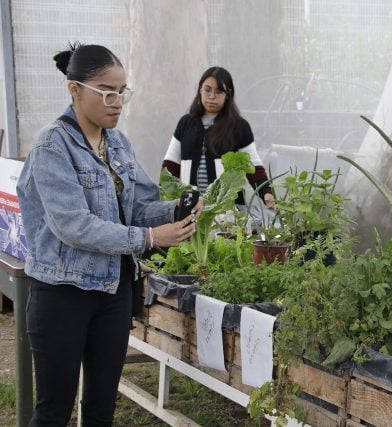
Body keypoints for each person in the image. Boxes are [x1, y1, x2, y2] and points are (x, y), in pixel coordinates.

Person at [16, 43, 202, 426]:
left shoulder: (117, 142)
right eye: (107, 91)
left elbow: (136, 207)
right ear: (75, 90)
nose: (117, 102)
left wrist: (177, 210)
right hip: (63, 294)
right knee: (53, 410)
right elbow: (74, 226)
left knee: (101, 406)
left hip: (113, 291)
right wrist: (150, 239)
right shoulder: (53, 145)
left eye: (122, 92)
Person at [162, 66, 276, 209]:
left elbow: (253, 166)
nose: (211, 96)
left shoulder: (239, 127)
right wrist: (166, 199)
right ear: (200, 90)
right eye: (207, 90)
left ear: (228, 95)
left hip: (227, 209)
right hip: (190, 207)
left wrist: (266, 192)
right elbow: (170, 165)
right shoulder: (185, 123)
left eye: (218, 92)